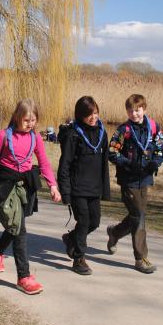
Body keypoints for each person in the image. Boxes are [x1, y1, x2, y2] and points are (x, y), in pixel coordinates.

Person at [0, 98, 62, 295]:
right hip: (5, 187)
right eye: (26, 120)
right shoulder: (3, 136)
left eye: (33, 120)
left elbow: (44, 163)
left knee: (15, 226)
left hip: (25, 186)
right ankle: (24, 277)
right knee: (19, 229)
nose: (30, 124)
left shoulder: (36, 138)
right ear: (17, 117)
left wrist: (53, 185)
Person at [106, 94, 163, 274]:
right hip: (128, 180)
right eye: (130, 111)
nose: (134, 114)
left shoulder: (154, 128)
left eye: (137, 110)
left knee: (136, 215)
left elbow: (161, 149)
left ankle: (115, 233)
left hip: (145, 179)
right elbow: (112, 152)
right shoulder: (123, 130)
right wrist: (128, 163)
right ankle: (140, 259)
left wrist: (156, 162)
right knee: (139, 216)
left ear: (144, 109)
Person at [57, 96, 111, 275]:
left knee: (94, 222)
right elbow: (64, 165)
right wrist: (65, 192)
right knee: (84, 221)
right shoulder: (73, 135)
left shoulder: (103, 133)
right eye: (89, 114)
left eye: (95, 113)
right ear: (80, 115)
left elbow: (104, 165)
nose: (93, 117)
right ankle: (79, 259)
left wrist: (105, 190)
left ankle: (71, 238)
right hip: (77, 188)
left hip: (94, 187)